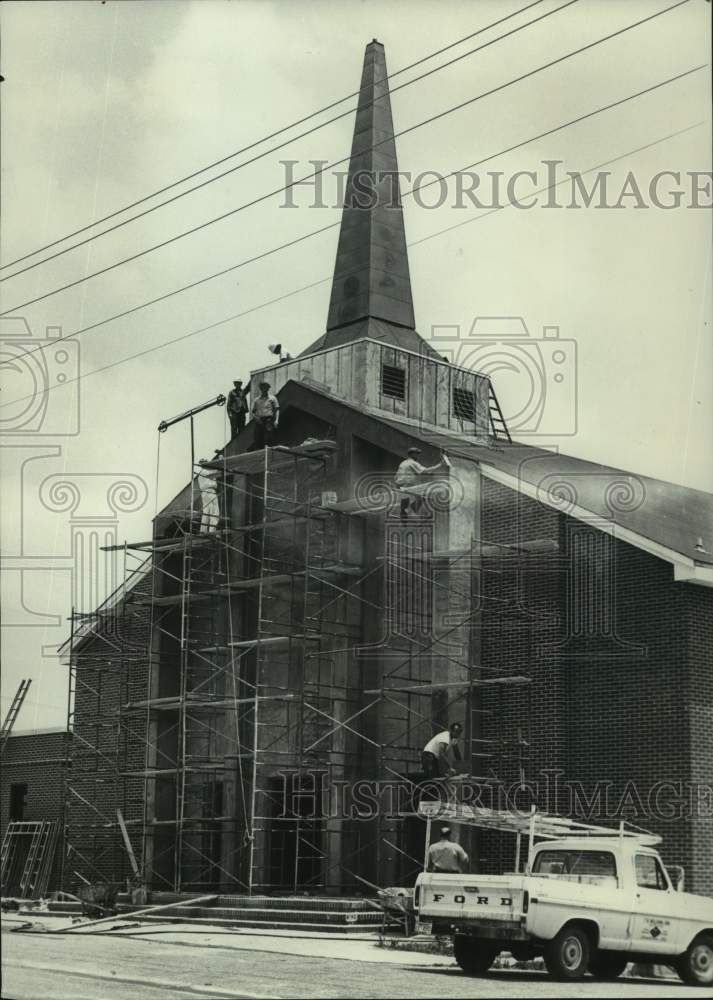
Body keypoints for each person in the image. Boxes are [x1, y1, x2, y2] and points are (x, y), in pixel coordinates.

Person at [395, 446, 450, 519]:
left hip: (400, 486)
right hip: (407, 486)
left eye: (418, 453)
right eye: (416, 454)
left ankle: (404, 514)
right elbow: (426, 471)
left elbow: (395, 477)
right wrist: (440, 465)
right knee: (422, 496)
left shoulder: (403, 463)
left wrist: (399, 484)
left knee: (405, 499)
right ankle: (409, 510)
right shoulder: (412, 463)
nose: (418, 455)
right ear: (411, 454)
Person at [251, 381, 279, 449]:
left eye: (266, 388)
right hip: (259, 420)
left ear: (268, 389)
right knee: (258, 437)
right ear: (260, 389)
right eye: (262, 388)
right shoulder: (256, 400)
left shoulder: (272, 398)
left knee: (268, 436)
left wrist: (276, 420)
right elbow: (253, 412)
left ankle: (268, 449)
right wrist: (256, 419)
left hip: (268, 420)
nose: (264, 389)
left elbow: (277, 409)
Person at [196, 463, 220, 534]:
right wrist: (220, 463)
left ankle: (203, 531)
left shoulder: (200, 473)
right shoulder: (205, 472)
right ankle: (212, 531)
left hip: (204, 493)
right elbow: (215, 472)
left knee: (206, 512)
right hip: (210, 492)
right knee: (214, 512)